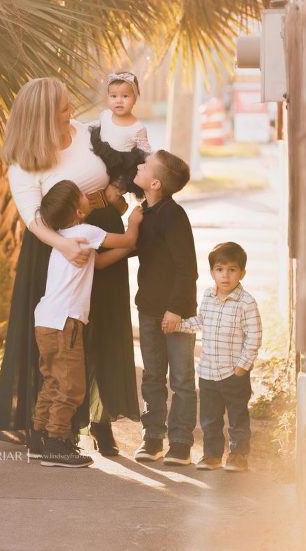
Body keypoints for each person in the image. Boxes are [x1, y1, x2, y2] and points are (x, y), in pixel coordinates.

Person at [0, 78, 140, 457]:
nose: (71, 112)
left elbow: (125, 160)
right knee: (65, 339)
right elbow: (33, 217)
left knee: (103, 327)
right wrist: (66, 246)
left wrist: (116, 194)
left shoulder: (88, 133)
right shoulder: (24, 158)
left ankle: (100, 420)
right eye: (63, 108)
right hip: (55, 249)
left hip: (101, 229)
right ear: (42, 116)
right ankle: (59, 430)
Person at [30, 180, 142, 467]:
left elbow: (100, 263)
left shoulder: (66, 237)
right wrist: (134, 220)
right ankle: (56, 444)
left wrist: (131, 248)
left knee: (53, 382)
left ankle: (39, 437)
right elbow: (127, 240)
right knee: (71, 387)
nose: (88, 195)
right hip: (66, 322)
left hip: (45, 320)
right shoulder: (86, 231)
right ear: (79, 212)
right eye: (82, 195)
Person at [164, 242, 262, 472]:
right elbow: (200, 321)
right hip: (208, 372)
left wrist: (243, 366)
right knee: (210, 418)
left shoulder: (246, 303)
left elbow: (254, 336)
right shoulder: (208, 296)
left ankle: (238, 455)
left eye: (232, 270)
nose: (225, 275)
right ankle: (212, 455)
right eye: (220, 269)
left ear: (242, 273)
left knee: (237, 417)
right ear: (212, 273)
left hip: (234, 372)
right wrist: (179, 326)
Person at [131, 150, 198, 465]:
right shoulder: (145, 212)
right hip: (149, 310)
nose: (139, 166)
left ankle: (181, 442)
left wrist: (175, 309)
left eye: (145, 166)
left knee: (182, 379)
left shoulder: (173, 215)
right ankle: (152, 438)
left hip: (179, 312)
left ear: (155, 183)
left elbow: (188, 269)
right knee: (152, 377)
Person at [90, 72, 152, 205]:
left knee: (110, 196)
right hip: (100, 157)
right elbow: (94, 127)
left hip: (121, 168)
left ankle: (117, 208)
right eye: (113, 96)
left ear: (135, 99)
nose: (119, 100)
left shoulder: (137, 128)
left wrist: (152, 167)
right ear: (108, 98)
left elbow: (146, 153)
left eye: (125, 96)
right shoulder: (105, 115)